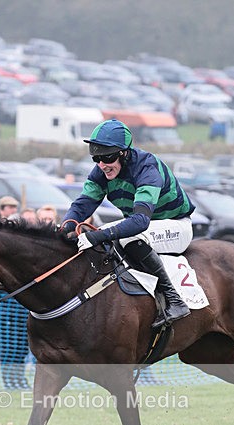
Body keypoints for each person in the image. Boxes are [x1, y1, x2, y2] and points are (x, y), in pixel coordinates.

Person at [61, 118, 194, 328]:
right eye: (96, 157)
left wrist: (96, 235)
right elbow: (82, 205)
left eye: (107, 157)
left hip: (175, 226)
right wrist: (65, 227)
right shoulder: (101, 171)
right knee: (101, 236)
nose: (101, 164)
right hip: (145, 227)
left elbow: (140, 222)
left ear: (124, 152)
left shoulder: (147, 168)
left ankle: (175, 300)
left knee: (121, 235)